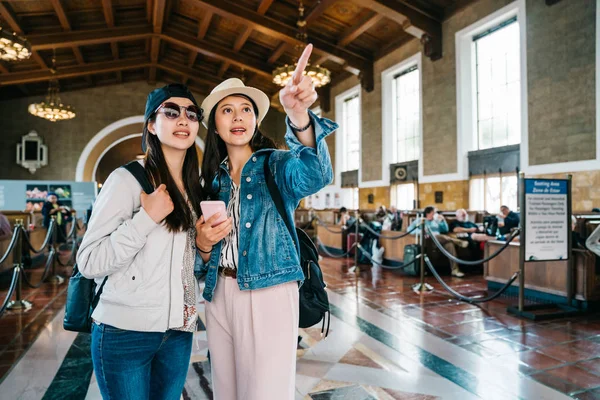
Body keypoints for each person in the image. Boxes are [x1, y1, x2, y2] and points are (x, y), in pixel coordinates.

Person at [194, 44, 337, 400]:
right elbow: (203, 254)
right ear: (215, 123)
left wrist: (299, 115)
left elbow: (316, 174)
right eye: (227, 110)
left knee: (266, 392)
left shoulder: (275, 164)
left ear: (256, 119)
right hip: (218, 292)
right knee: (226, 389)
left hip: (270, 290)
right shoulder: (213, 179)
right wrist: (204, 244)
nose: (238, 117)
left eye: (246, 109)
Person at [77, 83, 211, 400]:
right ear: (152, 124)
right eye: (171, 111)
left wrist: (204, 247)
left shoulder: (196, 189)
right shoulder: (127, 179)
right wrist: (145, 219)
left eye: (192, 114)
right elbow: (89, 262)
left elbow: (186, 266)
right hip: (124, 332)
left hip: (178, 333)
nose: (184, 120)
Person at [407, 206, 468, 277]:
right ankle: (458, 242)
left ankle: (455, 270)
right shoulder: (420, 220)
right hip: (429, 242)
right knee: (434, 235)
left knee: (449, 244)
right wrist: (421, 231)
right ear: (428, 213)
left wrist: (443, 221)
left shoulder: (436, 221)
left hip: (440, 241)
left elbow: (445, 230)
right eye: (434, 212)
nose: (436, 214)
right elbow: (409, 230)